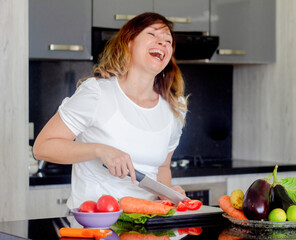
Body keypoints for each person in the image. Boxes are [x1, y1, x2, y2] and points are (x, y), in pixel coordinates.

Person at [33, 12, 188, 209]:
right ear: (129, 42)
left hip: (146, 225)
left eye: (168, 40)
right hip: (94, 226)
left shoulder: (174, 108)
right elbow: (42, 147)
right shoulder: (97, 93)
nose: (162, 43)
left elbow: (163, 167)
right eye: (152, 35)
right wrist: (100, 150)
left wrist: (167, 194)